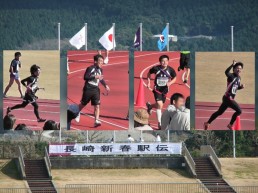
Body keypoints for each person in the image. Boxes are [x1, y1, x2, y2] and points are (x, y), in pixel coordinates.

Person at [204, 61, 244, 130]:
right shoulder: (231, 76)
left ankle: (207, 123)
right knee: (239, 111)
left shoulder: (239, 78)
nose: (239, 70)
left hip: (226, 98)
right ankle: (230, 124)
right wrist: (232, 65)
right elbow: (226, 72)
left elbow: (235, 88)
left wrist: (241, 87)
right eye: (237, 68)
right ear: (234, 69)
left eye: (240, 68)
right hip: (228, 98)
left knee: (219, 112)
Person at [78, 54, 110, 127]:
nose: (102, 62)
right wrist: (95, 76)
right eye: (100, 61)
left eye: (102, 61)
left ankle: (96, 120)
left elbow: (101, 79)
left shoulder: (101, 70)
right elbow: (85, 77)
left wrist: (106, 85)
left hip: (96, 89)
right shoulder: (90, 68)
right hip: (88, 88)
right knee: (83, 104)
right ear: (95, 61)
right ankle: (74, 113)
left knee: (97, 106)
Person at [146, 55, 177, 130]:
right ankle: (159, 124)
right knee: (160, 105)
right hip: (157, 89)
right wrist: (149, 82)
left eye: (166, 61)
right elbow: (148, 74)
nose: (164, 62)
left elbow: (175, 78)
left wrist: (170, 83)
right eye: (163, 61)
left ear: (168, 61)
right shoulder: (156, 68)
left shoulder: (171, 70)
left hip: (165, 91)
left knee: (159, 105)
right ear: (160, 62)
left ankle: (150, 106)